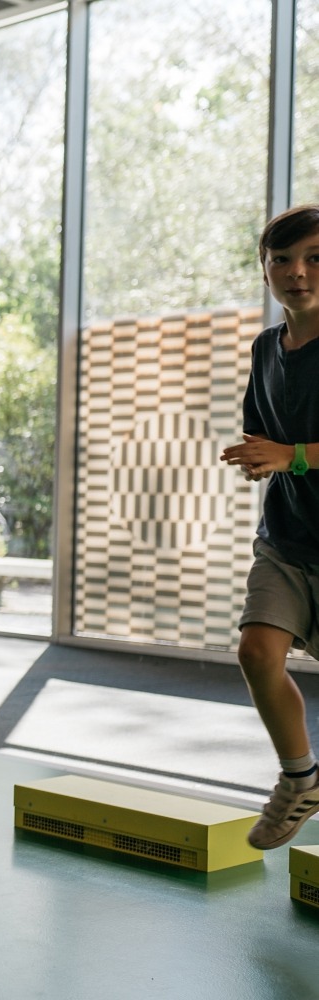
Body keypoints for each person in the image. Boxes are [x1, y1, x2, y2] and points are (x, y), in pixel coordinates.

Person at [220, 203, 319, 850]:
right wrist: (258, 457)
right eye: (281, 259)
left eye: (314, 259)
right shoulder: (265, 348)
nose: (297, 272)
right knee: (257, 652)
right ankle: (301, 779)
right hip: (286, 538)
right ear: (264, 270)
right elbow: (268, 434)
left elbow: (296, 451)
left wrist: (295, 457)